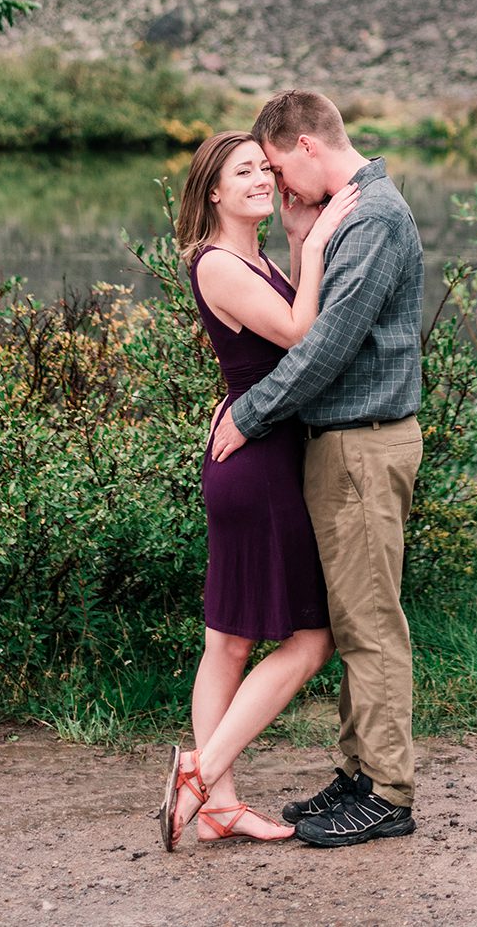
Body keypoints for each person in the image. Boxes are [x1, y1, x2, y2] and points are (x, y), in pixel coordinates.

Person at [210, 89, 425, 849]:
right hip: (340, 445)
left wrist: (249, 412)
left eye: (275, 167)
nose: (277, 188)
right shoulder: (351, 211)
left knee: (370, 626)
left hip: (365, 444)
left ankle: (388, 794)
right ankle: (359, 772)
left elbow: (325, 346)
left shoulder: (372, 218)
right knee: (349, 620)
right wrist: (305, 236)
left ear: (306, 146)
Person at [158, 130, 356, 851]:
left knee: (229, 641)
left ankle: (217, 804)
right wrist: (319, 236)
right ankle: (203, 775)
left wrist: (298, 239)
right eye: (243, 173)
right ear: (213, 191)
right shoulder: (218, 263)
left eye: (264, 170)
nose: (260, 181)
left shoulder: (252, 257)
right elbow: (303, 332)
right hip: (258, 467)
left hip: (257, 453)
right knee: (312, 637)